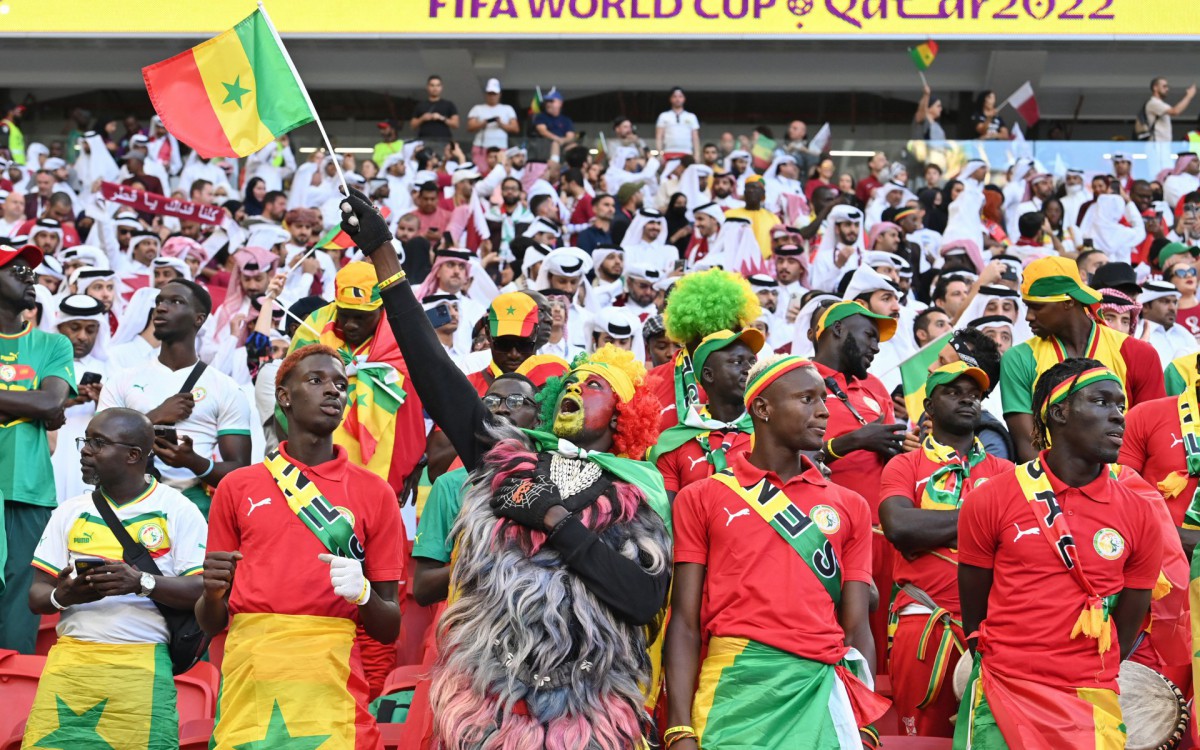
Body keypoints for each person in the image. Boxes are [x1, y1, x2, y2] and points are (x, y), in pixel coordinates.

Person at [339, 188, 672, 748]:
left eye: (593, 386)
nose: (574, 389)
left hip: (590, 712)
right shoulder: (511, 461)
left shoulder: (636, 492)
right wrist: (385, 258)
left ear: (624, 415)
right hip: (491, 706)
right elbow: (436, 375)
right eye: (567, 383)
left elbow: (642, 601)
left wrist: (555, 520)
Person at [666, 354, 888, 750]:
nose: (823, 412)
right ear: (763, 409)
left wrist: (865, 725)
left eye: (824, 399)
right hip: (735, 692)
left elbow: (856, 628)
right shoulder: (701, 497)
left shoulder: (851, 505)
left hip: (821, 693)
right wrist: (679, 727)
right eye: (807, 399)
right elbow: (684, 621)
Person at [198, 344, 404, 749]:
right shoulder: (236, 487)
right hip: (252, 676)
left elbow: (389, 626)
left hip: (332, 677)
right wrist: (211, 593)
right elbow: (210, 621)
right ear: (284, 397)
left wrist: (363, 594)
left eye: (341, 384)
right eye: (316, 380)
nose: (333, 391)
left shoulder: (375, 493)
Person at [956, 359, 1163, 748]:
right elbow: (974, 608)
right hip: (1003, 692)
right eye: (1102, 402)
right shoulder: (990, 498)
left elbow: (1127, 621)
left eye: (1122, 406)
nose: (1119, 417)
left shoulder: (1141, 513)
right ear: (1059, 412)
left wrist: (1084, 668)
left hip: (1089, 698)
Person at [23, 408, 206, 750]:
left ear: (134, 455)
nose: (85, 450)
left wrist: (141, 583)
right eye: (85, 440)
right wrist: (66, 595)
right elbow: (36, 596)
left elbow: (201, 590)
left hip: (142, 667)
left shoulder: (177, 509)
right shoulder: (70, 511)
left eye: (98, 443)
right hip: (71, 665)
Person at [878, 362, 1013, 737]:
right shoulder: (905, 464)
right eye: (953, 392)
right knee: (921, 739)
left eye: (974, 394)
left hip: (993, 625)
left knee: (986, 735)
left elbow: (1014, 535)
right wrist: (983, 522)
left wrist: (935, 529)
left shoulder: (1006, 471)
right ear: (929, 408)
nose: (967, 399)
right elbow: (901, 527)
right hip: (924, 621)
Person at [97, 279, 252, 516]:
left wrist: (193, 462)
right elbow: (96, 446)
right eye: (159, 301)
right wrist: (154, 417)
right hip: (128, 506)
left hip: (193, 507)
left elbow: (240, 472)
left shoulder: (225, 387)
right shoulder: (123, 379)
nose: (161, 307)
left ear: (199, 319)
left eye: (176, 301)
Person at [1000, 257, 1164, 461]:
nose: (1028, 317)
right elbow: (1028, 444)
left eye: (1037, 307)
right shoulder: (1018, 359)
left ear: (1068, 303)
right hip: (1049, 483)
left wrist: (1115, 486)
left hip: (1124, 481)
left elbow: (1152, 435)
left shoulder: (1138, 353)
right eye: (1027, 307)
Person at [288, 262, 427, 495]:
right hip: (318, 465)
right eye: (344, 315)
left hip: (388, 465)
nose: (351, 325)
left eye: (362, 317)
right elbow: (287, 397)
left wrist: (419, 458)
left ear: (382, 307)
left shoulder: (405, 334)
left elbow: (424, 400)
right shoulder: (313, 329)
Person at [411, 372, 541, 605]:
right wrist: (483, 561)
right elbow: (423, 587)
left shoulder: (554, 479)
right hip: (468, 631)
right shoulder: (450, 485)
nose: (501, 409)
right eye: (491, 402)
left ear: (538, 419)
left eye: (516, 401)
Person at [0, 243, 74, 653]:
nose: (30, 278)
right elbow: (42, 404)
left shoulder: (53, 345)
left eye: (32, 272)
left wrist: (44, 407)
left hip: (28, 489)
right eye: (16, 271)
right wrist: (30, 403)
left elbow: (51, 402)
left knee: (19, 606)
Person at [649, 328, 763, 501]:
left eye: (752, 362)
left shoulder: (769, 433)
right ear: (709, 375)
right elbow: (667, 519)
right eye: (737, 362)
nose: (749, 370)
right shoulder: (672, 443)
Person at [1140, 278, 1198, 365]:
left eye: (1174, 302)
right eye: (1165, 302)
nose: (1172, 308)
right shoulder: (1137, 333)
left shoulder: (1184, 333)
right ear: (1145, 307)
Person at [467, 78, 519, 171]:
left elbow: (515, 128)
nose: (492, 96)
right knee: (480, 172)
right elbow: (470, 127)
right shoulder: (477, 108)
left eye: (494, 94)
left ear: (499, 94)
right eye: (490, 93)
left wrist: (500, 123)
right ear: (486, 94)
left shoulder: (507, 108)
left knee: (500, 172)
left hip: (500, 147)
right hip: (481, 147)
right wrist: (483, 123)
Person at [410, 74, 459, 146]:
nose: (435, 88)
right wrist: (422, 118)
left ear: (441, 87)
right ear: (427, 87)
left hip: (444, 141)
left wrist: (441, 118)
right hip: (424, 141)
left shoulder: (449, 104)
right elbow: (412, 126)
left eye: (438, 85)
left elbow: (456, 124)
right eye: (432, 85)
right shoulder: (420, 105)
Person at [1145, 77, 1197, 142]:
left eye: (1167, 87)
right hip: (1156, 146)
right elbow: (1175, 111)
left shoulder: (1160, 104)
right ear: (1155, 88)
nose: (1167, 89)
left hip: (1162, 146)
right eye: (1164, 86)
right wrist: (1189, 96)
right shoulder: (1153, 103)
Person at [656, 87, 701, 161]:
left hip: (687, 153)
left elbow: (695, 138)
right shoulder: (663, 116)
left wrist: (697, 155)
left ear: (684, 99)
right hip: (668, 152)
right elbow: (659, 137)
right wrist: (660, 153)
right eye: (675, 96)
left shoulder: (691, 117)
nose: (677, 99)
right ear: (670, 99)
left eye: (680, 96)